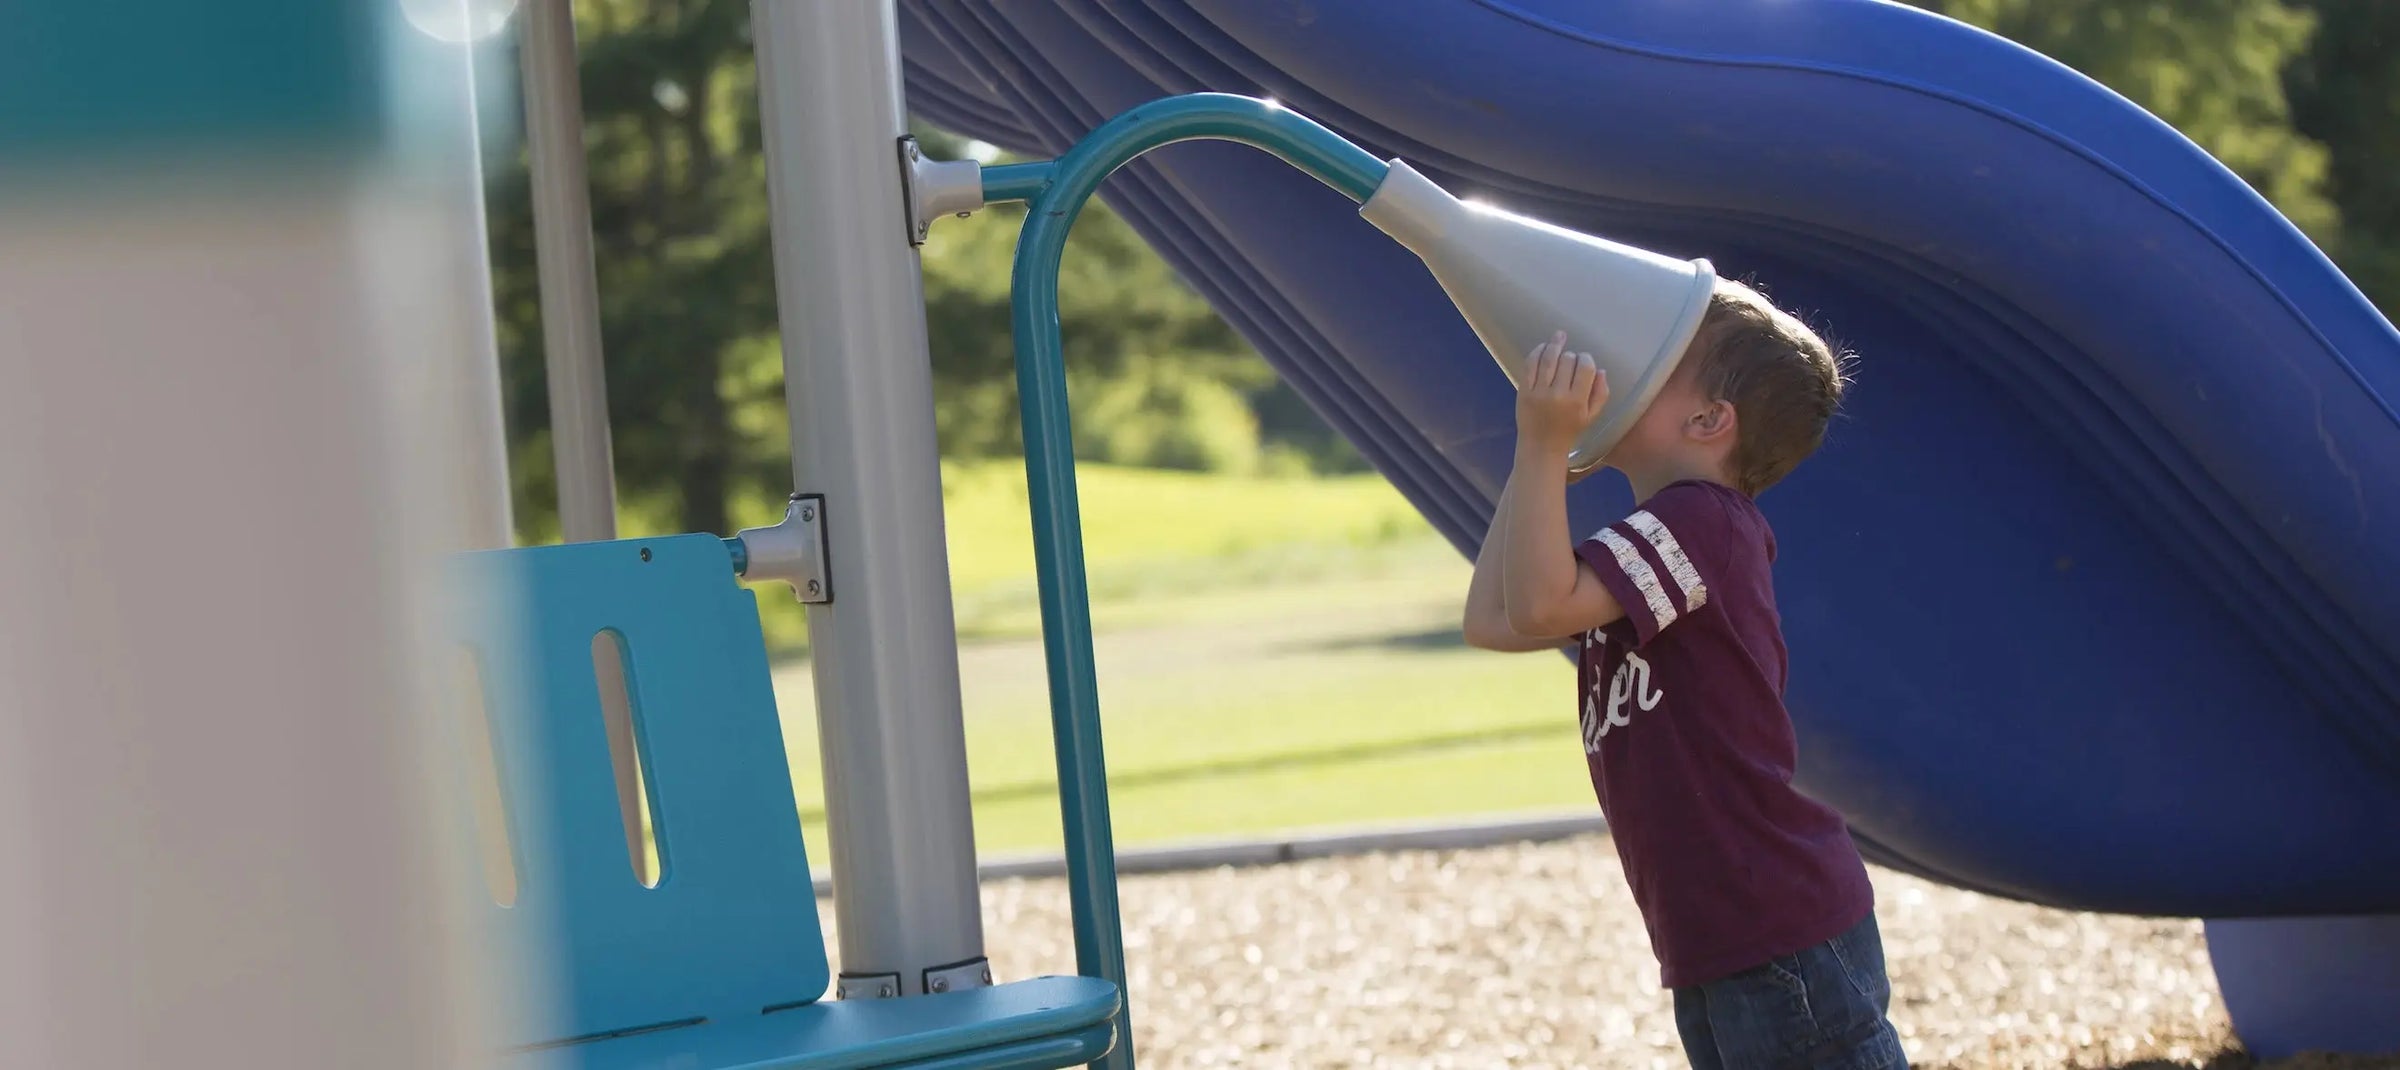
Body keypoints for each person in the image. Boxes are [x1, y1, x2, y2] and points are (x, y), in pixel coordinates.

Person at [1461, 279, 1904, 1070]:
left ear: (1709, 422)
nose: (1626, 366)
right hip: (1720, 936)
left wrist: (1540, 445)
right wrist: (1543, 461)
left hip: (1777, 929)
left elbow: (1532, 606)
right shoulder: (1665, 538)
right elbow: (1492, 620)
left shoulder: (1704, 521)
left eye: (1657, 361)